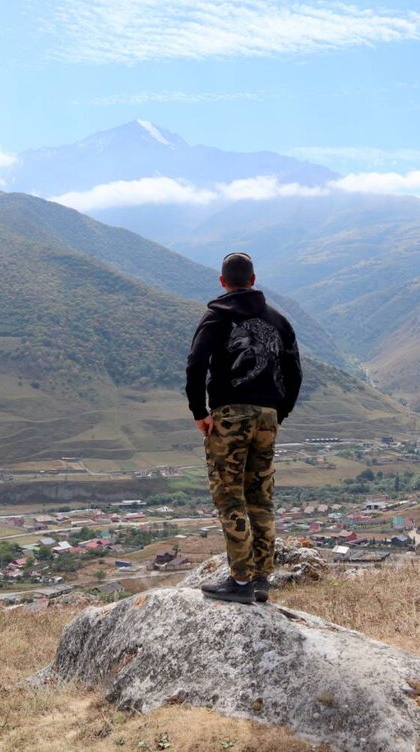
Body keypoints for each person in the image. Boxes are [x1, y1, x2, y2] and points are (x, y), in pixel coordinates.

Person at [185, 252, 302, 604]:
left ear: (223, 282)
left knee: (229, 494)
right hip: (267, 416)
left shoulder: (216, 316)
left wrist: (199, 412)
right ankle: (262, 578)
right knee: (260, 495)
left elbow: (195, 365)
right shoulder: (278, 320)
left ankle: (240, 581)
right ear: (253, 280)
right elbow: (294, 371)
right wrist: (279, 412)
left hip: (230, 414)